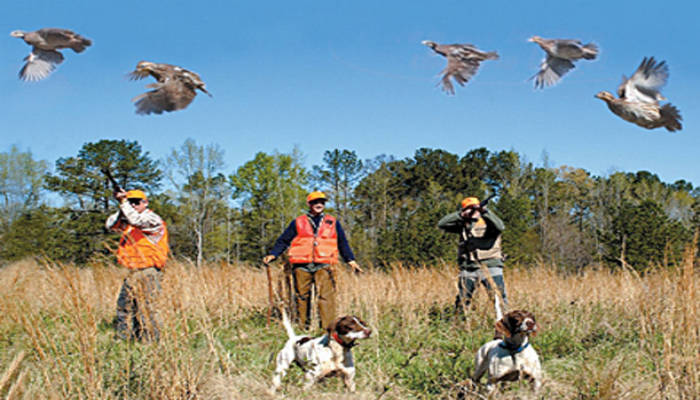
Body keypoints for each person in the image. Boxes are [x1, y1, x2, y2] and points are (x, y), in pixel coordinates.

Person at [263, 191, 362, 330]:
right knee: (301, 296)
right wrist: (273, 254)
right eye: (315, 202)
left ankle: (328, 330)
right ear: (309, 204)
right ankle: (303, 327)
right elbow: (284, 240)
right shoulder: (298, 222)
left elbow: (342, 242)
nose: (319, 204)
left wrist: (350, 260)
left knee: (326, 298)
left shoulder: (332, 222)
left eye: (321, 202)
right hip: (301, 264)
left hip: (324, 264)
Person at [105, 189, 169, 341]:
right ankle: (125, 338)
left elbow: (136, 220)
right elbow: (111, 225)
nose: (133, 205)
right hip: (133, 272)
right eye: (130, 202)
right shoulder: (129, 222)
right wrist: (122, 205)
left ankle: (151, 341)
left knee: (147, 308)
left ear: (145, 203)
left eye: (136, 202)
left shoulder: (152, 219)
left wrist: (124, 202)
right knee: (124, 306)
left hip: (149, 271)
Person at [438, 196, 507, 311]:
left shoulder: (489, 221)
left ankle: (504, 324)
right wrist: (461, 215)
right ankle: (460, 324)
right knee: (462, 299)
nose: (474, 211)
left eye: (475, 207)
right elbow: (442, 224)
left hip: (491, 265)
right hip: (468, 267)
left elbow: (500, 226)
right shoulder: (462, 224)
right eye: (470, 208)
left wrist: (484, 212)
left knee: (498, 299)